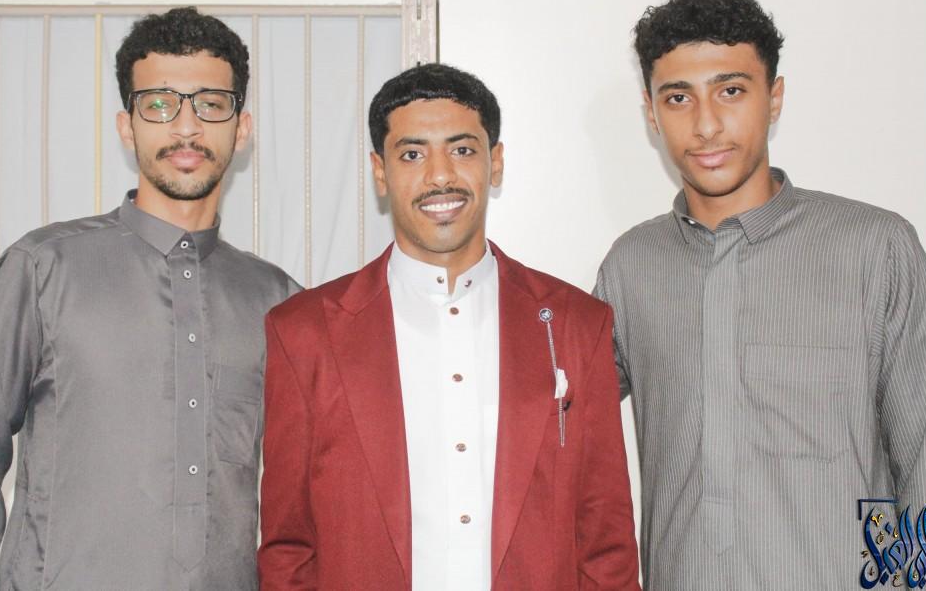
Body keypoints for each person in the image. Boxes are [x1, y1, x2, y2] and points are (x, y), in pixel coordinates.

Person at [594, 0, 926, 589]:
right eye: (679, 98)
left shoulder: (876, 248)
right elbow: (556, 428)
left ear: (775, 98)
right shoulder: (631, 265)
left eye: (731, 91)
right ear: (652, 114)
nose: (706, 124)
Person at [0, 7, 299, 589]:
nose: (186, 127)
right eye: (159, 104)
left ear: (242, 127)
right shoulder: (44, 267)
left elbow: (306, 495)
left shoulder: (278, 301)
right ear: (127, 128)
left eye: (210, 104)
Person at [259, 63, 640, 590]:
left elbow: (607, 543)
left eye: (462, 149)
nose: (440, 176)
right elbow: (288, 547)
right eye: (412, 154)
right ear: (379, 171)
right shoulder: (304, 332)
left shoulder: (578, 324)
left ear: (495, 162)